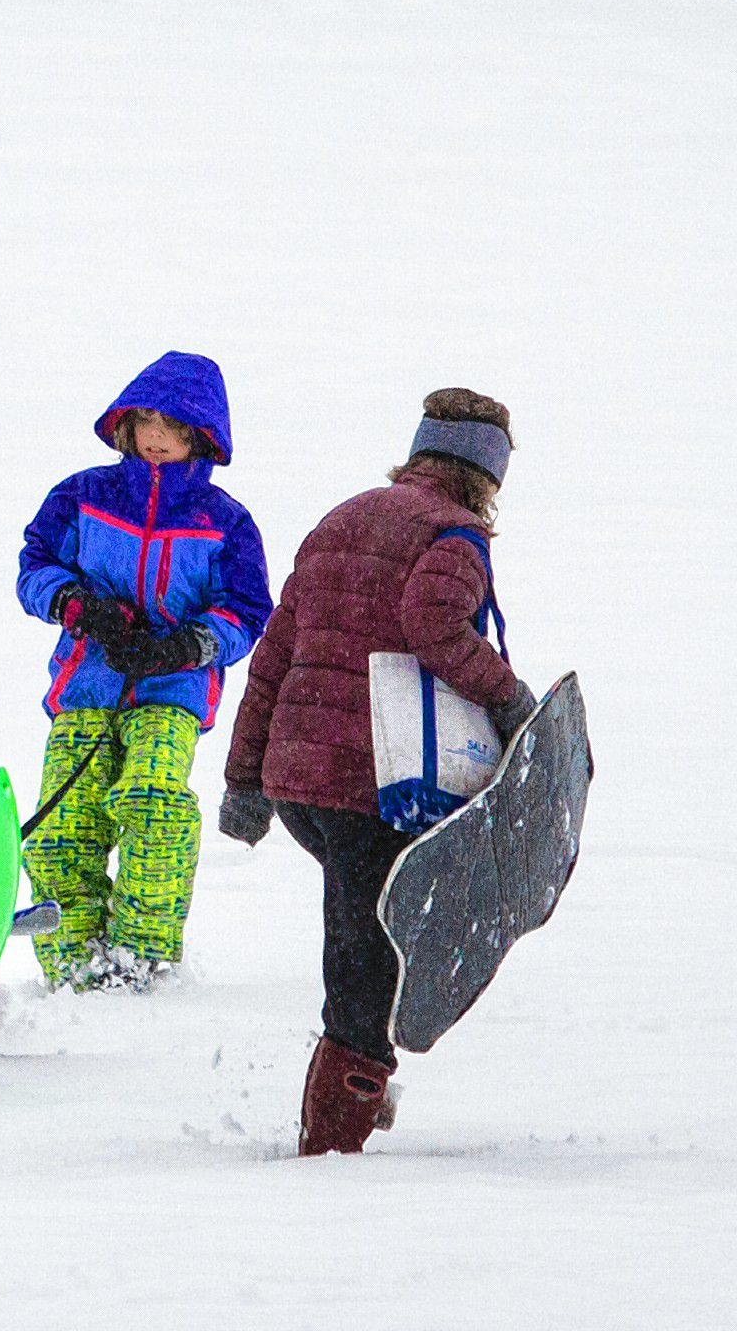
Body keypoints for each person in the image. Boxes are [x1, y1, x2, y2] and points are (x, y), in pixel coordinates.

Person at [217, 388, 537, 1156]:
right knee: (366, 961)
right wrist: (510, 698)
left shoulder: (342, 517)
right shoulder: (453, 537)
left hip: (303, 784)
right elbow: (436, 625)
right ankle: (335, 1136)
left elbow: (275, 654)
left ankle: (356, 1088)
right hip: (376, 786)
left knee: (370, 936)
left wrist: (245, 780)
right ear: (486, 475)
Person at [15, 354, 272, 993]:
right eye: (148, 419)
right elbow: (33, 566)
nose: (157, 434)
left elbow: (246, 610)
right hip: (85, 689)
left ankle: (141, 958)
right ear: (126, 424)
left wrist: (187, 645)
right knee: (59, 829)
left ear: (200, 437)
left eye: (175, 425)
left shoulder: (226, 522)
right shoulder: (82, 496)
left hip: (171, 690)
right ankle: (74, 965)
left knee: (152, 803)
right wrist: (79, 606)